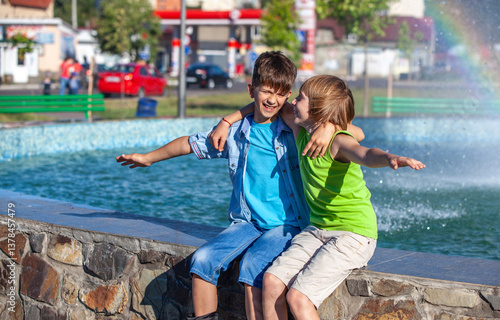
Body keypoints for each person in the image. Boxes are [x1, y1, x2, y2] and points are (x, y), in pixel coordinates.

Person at [116, 52, 363, 320]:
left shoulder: (294, 126)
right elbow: (190, 143)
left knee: (253, 266)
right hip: (247, 223)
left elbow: (354, 134)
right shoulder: (235, 133)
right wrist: (148, 158)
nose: (272, 99)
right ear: (251, 90)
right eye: (266, 91)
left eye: (280, 94)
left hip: (287, 225)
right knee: (202, 261)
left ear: (288, 95)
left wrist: (328, 128)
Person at [261, 75, 425, 320]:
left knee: (298, 297)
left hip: (354, 234)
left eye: (301, 98)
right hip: (317, 230)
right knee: (272, 281)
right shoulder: (302, 130)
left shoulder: (338, 141)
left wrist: (391, 159)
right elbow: (268, 103)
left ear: (319, 110)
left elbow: (366, 153)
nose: (293, 101)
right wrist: (227, 120)